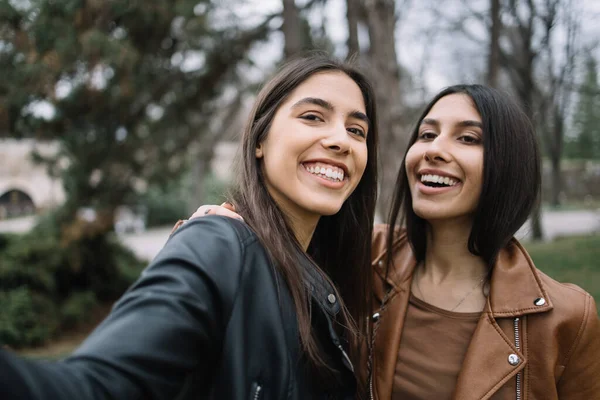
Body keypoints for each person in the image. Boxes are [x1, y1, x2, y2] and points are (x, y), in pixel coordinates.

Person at [0, 54, 380, 400]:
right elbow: (95, 387)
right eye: (313, 116)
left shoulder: (335, 271)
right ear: (260, 139)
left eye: (357, 130)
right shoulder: (217, 244)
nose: (340, 141)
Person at [188, 84, 600, 399]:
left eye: (468, 138)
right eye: (426, 134)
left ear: (508, 166)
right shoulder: (358, 256)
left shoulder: (567, 317)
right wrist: (225, 229)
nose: (434, 150)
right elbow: (271, 242)